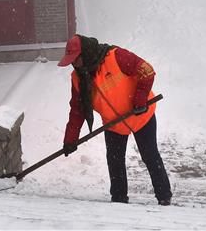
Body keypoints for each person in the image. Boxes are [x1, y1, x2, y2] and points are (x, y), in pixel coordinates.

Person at [58, 34, 172, 206]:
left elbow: (147, 71)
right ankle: (118, 199)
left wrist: (140, 98)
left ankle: (164, 196)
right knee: (115, 160)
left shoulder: (115, 56)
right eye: (72, 61)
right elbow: (77, 111)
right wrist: (70, 139)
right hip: (114, 124)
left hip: (141, 115)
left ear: (86, 54)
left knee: (149, 154)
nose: (74, 65)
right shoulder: (78, 79)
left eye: (76, 60)